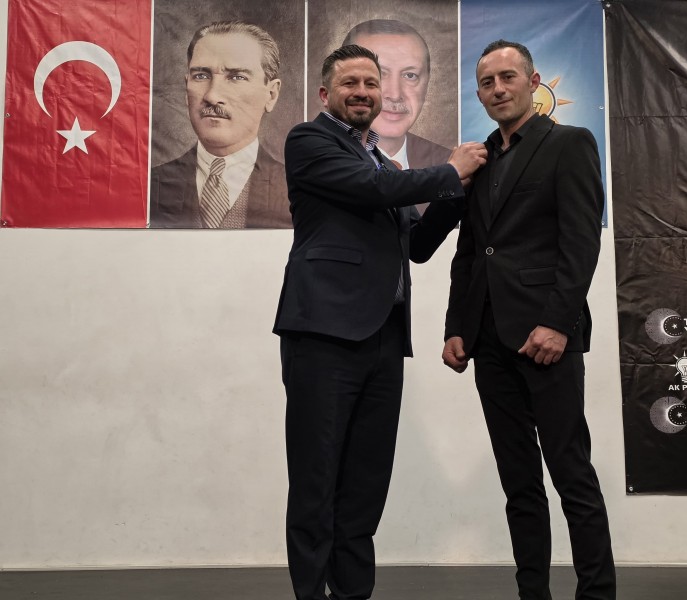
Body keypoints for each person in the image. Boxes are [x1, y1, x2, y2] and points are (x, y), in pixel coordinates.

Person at [273, 44, 486, 600]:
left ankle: (352, 593)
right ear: (326, 93)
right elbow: (372, 191)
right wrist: (448, 171)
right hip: (323, 333)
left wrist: (458, 195)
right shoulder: (309, 141)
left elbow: (416, 246)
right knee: (317, 478)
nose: (363, 92)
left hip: (384, 337)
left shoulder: (383, 164)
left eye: (371, 83)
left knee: (366, 482)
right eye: (351, 83)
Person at [442, 40, 615, 600]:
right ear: (478, 93)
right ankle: (532, 593)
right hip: (488, 341)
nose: (498, 89)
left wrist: (559, 323)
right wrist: (456, 326)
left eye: (508, 77)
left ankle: (597, 593)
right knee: (518, 483)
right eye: (487, 82)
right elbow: (470, 253)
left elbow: (581, 242)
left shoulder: (570, 142)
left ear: (533, 82)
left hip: (547, 338)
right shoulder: (479, 161)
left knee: (572, 474)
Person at [150, 20, 292, 228]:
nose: (212, 96)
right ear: (186, 89)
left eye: (236, 77)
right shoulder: (148, 187)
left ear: (271, 94)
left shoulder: (298, 190)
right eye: (201, 76)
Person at [343, 19, 452, 213]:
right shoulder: (317, 157)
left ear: (427, 84)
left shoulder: (448, 162)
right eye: (379, 75)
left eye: (410, 75)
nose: (394, 94)